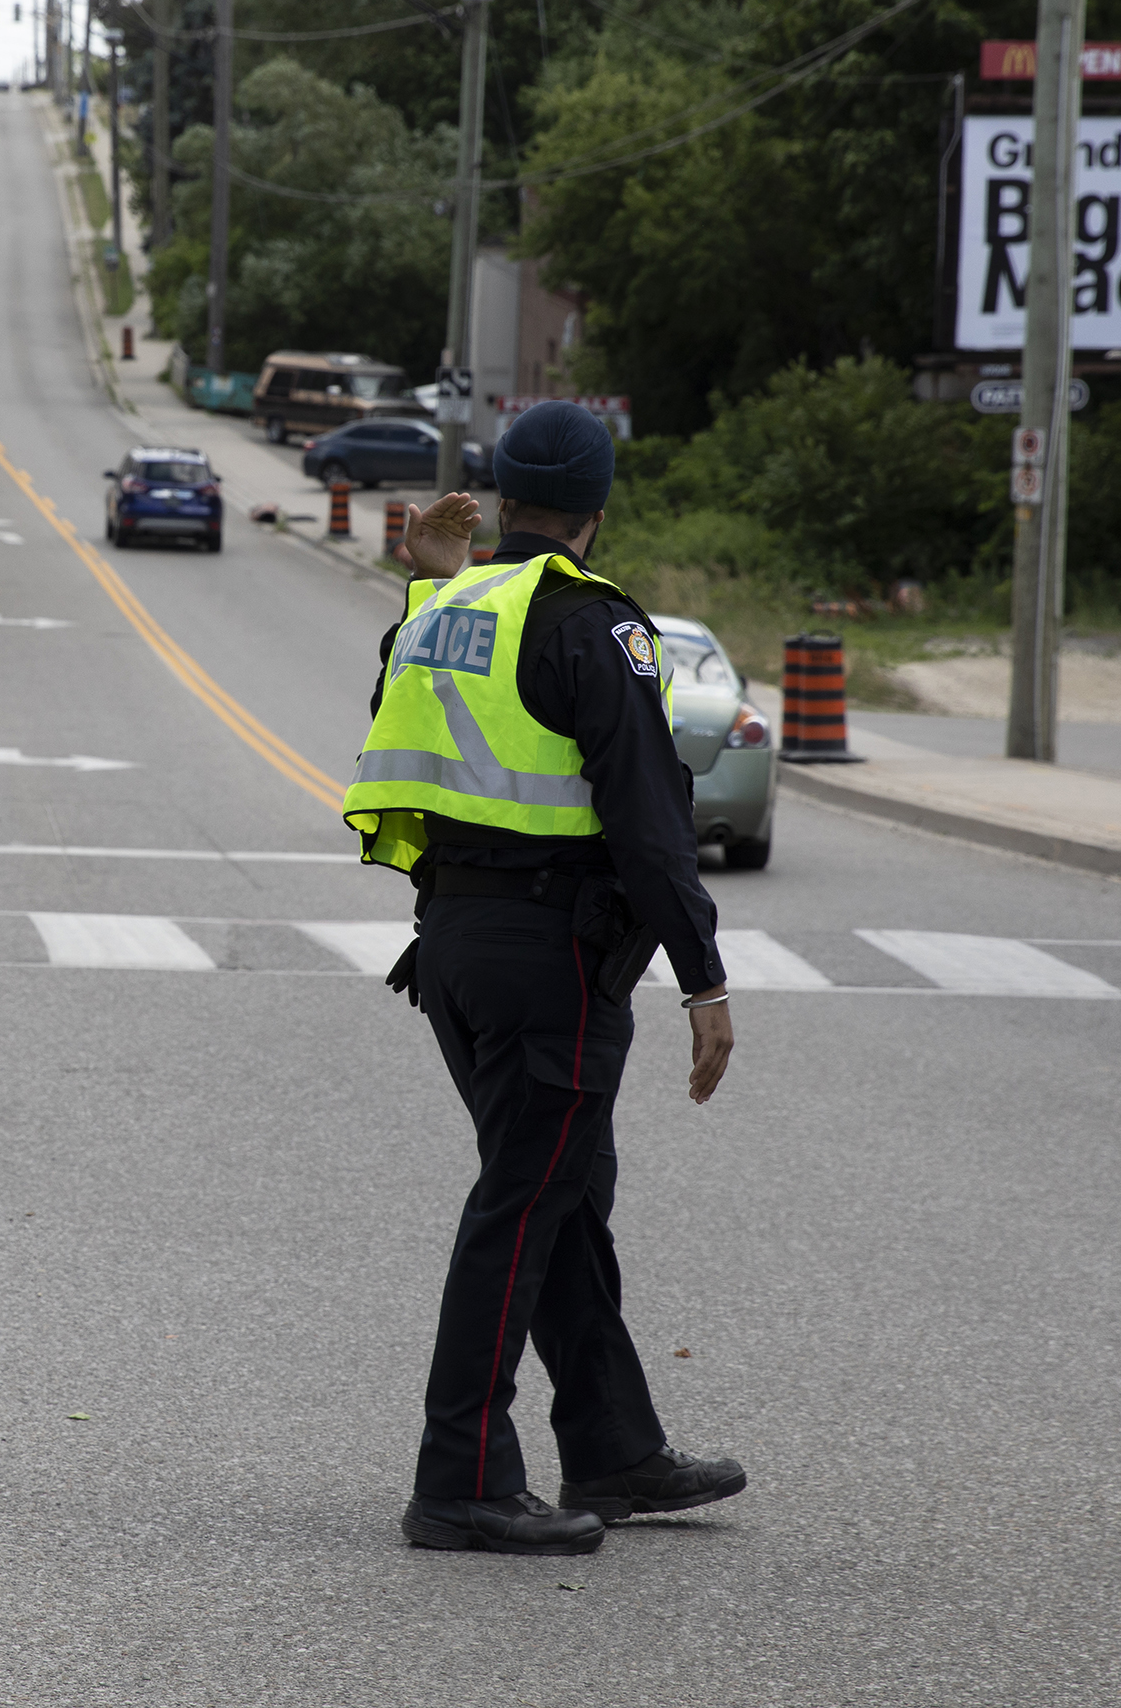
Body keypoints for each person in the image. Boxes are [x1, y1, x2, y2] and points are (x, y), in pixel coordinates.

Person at [342, 399, 745, 1558]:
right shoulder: (587, 620)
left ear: (502, 498)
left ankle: (615, 1444)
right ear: (598, 513)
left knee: (562, 1197)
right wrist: (704, 979)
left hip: (454, 952)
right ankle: (461, 1478)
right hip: (551, 955)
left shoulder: (435, 608)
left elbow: (415, 724)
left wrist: (425, 580)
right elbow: (650, 819)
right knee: (522, 1209)